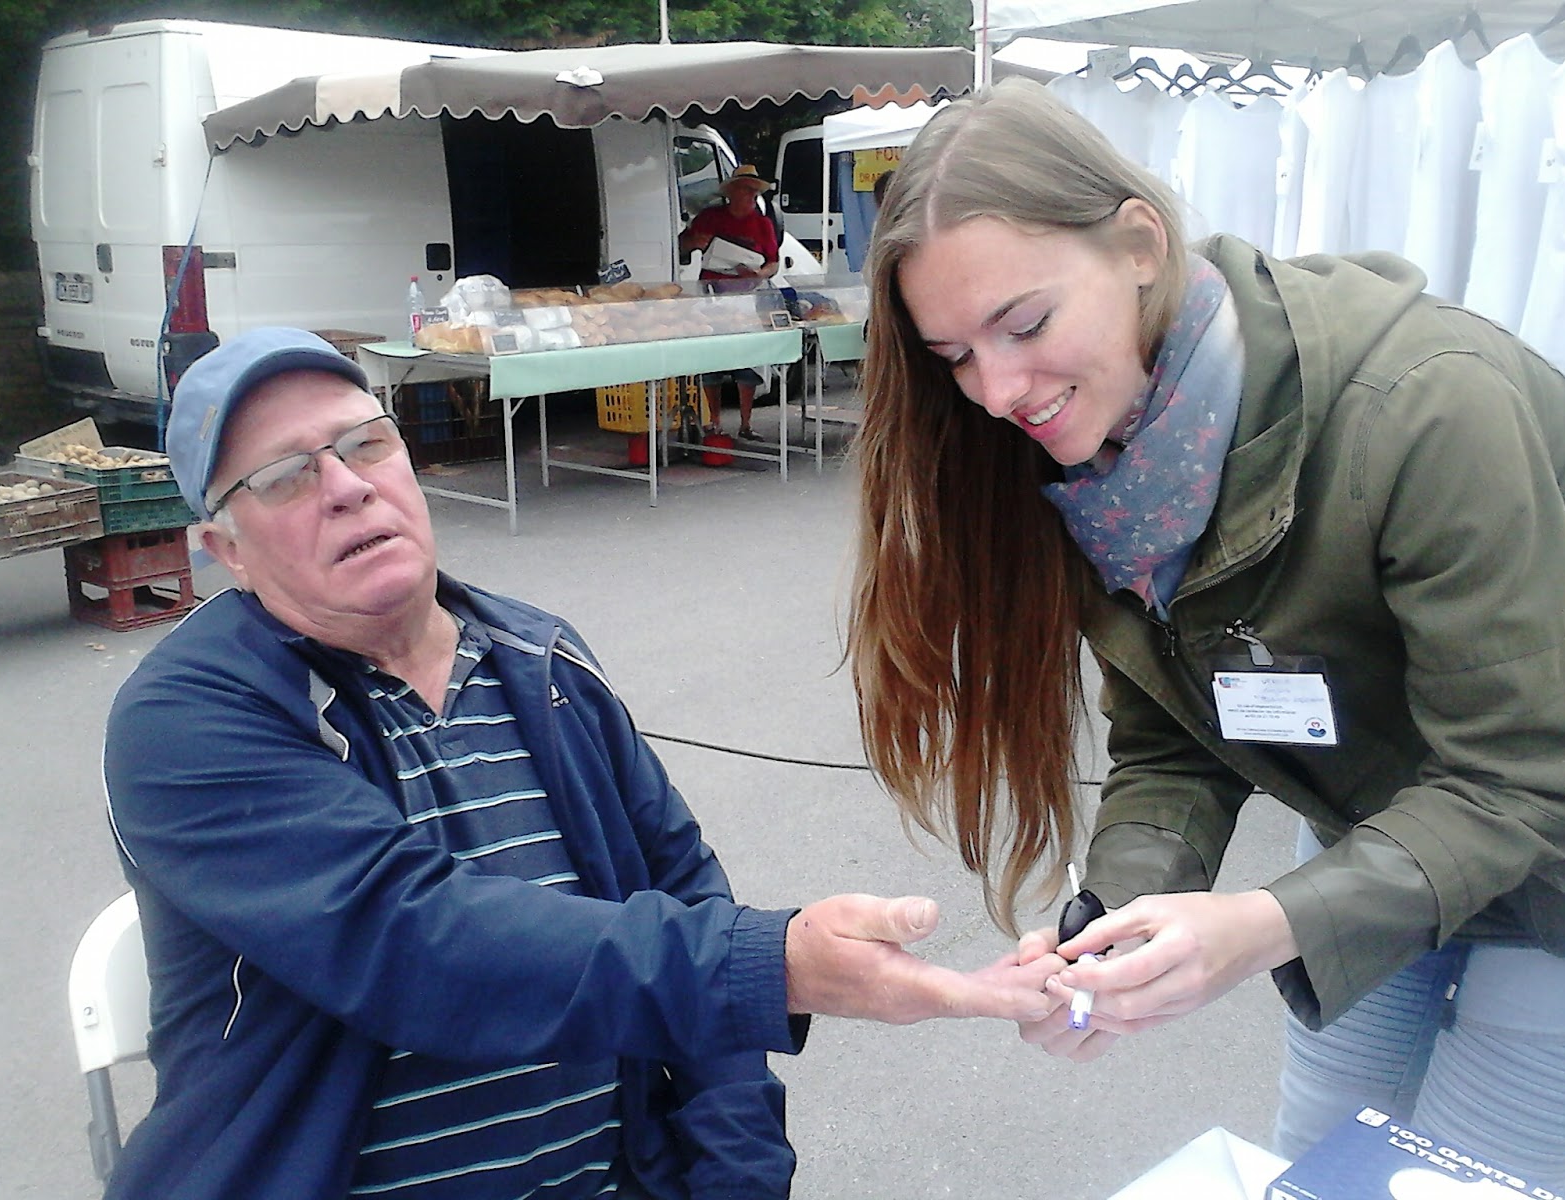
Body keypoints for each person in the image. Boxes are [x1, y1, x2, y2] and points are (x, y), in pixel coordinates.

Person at [101, 327, 1065, 1200]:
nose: (347, 486)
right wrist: (771, 968)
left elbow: (689, 901)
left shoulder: (541, 663)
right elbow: (415, 942)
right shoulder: (189, 721)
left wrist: (738, 1180)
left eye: (364, 443)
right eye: (282, 477)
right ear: (224, 547)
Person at [845, 78, 1565, 1189]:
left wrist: (1262, 922)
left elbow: (1525, 779)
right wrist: (1115, 920)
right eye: (955, 355)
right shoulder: (1106, 472)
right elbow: (1172, 730)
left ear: (1139, 243)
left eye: (1025, 323)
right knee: (1316, 1164)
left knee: (1450, 1182)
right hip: (1372, 827)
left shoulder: (1426, 403)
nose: (996, 390)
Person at [678, 163, 780, 442]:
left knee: (746, 359)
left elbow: (773, 262)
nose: (750, 196)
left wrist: (759, 274)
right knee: (713, 357)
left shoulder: (763, 224)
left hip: (746, 296)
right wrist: (695, 241)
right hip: (711, 294)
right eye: (745, 190)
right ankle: (715, 421)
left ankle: (746, 423)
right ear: (732, 192)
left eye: (753, 191)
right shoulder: (711, 217)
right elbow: (684, 245)